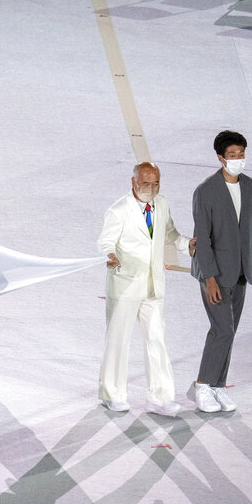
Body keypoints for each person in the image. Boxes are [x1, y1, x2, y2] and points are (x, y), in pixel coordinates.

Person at [97, 163, 195, 416]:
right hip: (126, 286)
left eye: (156, 183)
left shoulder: (161, 204)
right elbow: (105, 241)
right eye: (145, 184)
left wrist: (189, 245)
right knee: (118, 341)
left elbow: (170, 234)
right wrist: (109, 254)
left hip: (153, 286)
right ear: (133, 182)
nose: (151, 189)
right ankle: (112, 394)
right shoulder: (118, 210)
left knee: (157, 340)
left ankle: (160, 398)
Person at [188, 130, 252, 413]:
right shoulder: (205, 191)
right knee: (222, 329)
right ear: (221, 158)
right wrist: (209, 278)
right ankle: (201, 386)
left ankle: (217, 387)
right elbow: (202, 238)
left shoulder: (250, 187)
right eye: (233, 155)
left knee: (230, 331)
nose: (239, 160)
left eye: (242, 154)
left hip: (239, 273)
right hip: (215, 274)